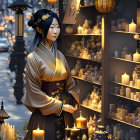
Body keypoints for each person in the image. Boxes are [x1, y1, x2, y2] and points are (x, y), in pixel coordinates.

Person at [23, 9, 80, 140]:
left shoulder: (60, 55)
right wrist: (60, 106)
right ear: (39, 30)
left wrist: (72, 99)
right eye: (51, 27)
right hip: (45, 116)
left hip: (66, 114)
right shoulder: (33, 58)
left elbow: (70, 83)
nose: (55, 31)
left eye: (57, 27)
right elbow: (34, 93)